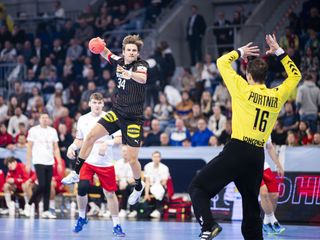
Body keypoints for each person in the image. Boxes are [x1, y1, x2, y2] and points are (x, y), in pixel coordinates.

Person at [188, 34, 301, 240]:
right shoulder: (277, 95)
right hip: (257, 155)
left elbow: (222, 62)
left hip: (237, 150)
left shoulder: (242, 89)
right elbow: (295, 76)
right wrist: (279, 51)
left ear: (248, 75)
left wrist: (240, 52)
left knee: (197, 187)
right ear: (265, 77)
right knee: (251, 208)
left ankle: (208, 225)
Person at [62, 35, 149, 207]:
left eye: (134, 51)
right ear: (124, 52)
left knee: (132, 159)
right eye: (128, 50)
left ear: (137, 54)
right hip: (117, 112)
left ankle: (138, 186)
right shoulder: (119, 61)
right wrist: (99, 45)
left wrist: (128, 73)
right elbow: (106, 53)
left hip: (133, 119)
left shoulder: (141, 66)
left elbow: (142, 78)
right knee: (91, 136)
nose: (131, 53)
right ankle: (76, 172)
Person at [65, 93, 125, 236]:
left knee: (110, 194)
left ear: (103, 104)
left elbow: (118, 138)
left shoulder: (110, 118)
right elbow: (80, 140)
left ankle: (116, 225)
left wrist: (107, 142)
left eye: (100, 103)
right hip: (87, 160)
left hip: (105, 162)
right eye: (94, 102)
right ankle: (81, 217)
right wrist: (72, 147)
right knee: (82, 188)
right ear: (89, 104)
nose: (97, 105)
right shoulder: (83, 119)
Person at [25, 113, 63, 219]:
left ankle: (46, 210)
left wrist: (59, 162)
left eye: (47, 118)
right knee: (41, 185)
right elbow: (29, 147)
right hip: (38, 161)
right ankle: (29, 204)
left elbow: (56, 148)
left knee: (47, 186)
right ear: (39, 119)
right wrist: (28, 162)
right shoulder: (33, 130)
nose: (45, 119)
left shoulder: (53, 131)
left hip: (49, 161)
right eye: (43, 118)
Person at [261, 138, 285, 235]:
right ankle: (274, 222)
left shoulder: (267, 126)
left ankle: (266, 223)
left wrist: (279, 165)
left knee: (274, 194)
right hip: (249, 166)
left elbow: (269, 147)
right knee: (264, 193)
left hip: (262, 164)